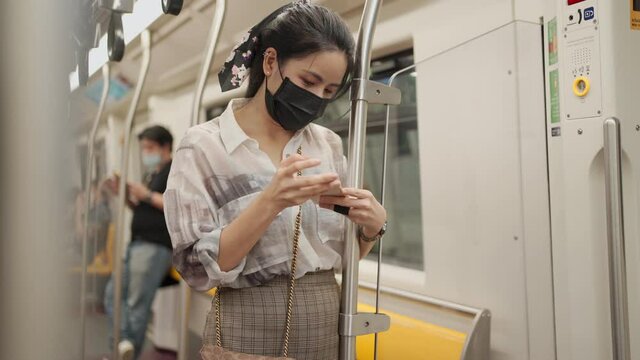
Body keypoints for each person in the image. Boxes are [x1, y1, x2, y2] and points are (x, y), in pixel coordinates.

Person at [164, 1, 388, 359]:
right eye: (308, 81)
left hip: (326, 319)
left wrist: (371, 229)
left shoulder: (327, 144)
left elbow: (343, 257)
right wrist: (271, 201)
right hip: (247, 322)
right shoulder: (204, 146)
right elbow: (196, 270)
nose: (316, 99)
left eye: (329, 92)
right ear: (270, 62)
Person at [103, 125, 174, 360]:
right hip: (137, 243)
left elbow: (176, 205)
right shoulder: (153, 173)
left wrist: (145, 195)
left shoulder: (176, 170)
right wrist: (123, 194)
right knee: (112, 295)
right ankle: (122, 346)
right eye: (143, 148)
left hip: (155, 245)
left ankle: (125, 354)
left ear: (165, 147)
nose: (146, 152)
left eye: (150, 147)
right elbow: (140, 208)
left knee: (136, 305)